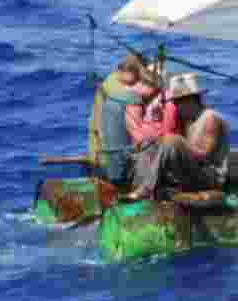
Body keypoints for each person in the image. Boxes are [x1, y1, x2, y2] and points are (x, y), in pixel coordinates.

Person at [128, 73, 230, 201]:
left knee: (172, 139)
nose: (176, 107)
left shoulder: (210, 118)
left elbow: (205, 155)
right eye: (175, 102)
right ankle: (138, 189)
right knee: (149, 143)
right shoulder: (189, 120)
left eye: (178, 102)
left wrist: (179, 143)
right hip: (192, 172)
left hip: (210, 177)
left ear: (191, 99)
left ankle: (146, 189)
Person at [88, 54, 155, 183]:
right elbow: (132, 98)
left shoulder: (114, 81)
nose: (136, 83)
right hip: (106, 155)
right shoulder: (115, 87)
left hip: (105, 149)